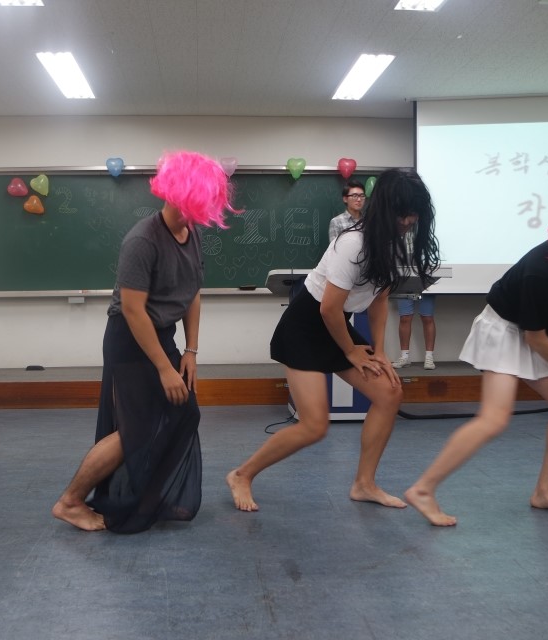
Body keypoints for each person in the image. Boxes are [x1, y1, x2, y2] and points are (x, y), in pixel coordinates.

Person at [403, 190, 548, 526]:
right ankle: (423, 489)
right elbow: (534, 337)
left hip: (533, 337)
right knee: (494, 420)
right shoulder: (541, 269)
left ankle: (545, 492)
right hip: (503, 331)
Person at [227, 168, 441, 512]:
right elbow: (327, 308)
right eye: (403, 213)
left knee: (389, 393)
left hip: (336, 324)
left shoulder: (393, 244)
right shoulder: (352, 243)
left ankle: (364, 484)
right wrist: (351, 351)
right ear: (385, 208)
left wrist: (380, 352)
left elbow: (380, 299)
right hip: (305, 327)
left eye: (414, 213)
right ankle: (241, 475)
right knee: (314, 426)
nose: (408, 220)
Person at [52, 150, 239, 533]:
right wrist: (164, 369)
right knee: (135, 430)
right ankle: (70, 502)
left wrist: (190, 351)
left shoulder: (192, 234)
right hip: (129, 340)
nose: (204, 210)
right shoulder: (142, 240)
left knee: (183, 412)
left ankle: (152, 495)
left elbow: (193, 293)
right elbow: (133, 311)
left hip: (161, 337)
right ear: (178, 195)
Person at [392, 221, 438, 369]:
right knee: (405, 318)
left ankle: (429, 357)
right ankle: (404, 356)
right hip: (403, 277)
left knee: (427, 317)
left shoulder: (426, 229)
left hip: (425, 278)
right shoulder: (395, 228)